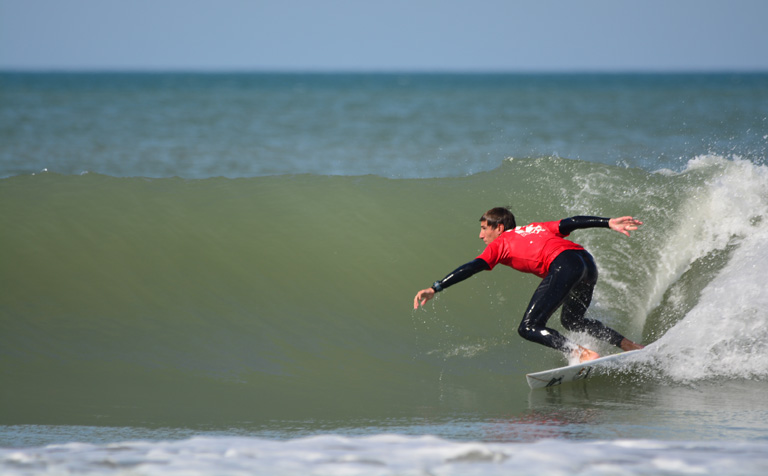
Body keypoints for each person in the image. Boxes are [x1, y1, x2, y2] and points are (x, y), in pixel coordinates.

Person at [413, 207, 645, 362]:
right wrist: (608, 223)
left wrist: (436, 287)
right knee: (572, 321)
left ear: (499, 228)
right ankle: (627, 344)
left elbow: (473, 266)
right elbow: (571, 223)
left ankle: (582, 354)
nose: (481, 235)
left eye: (484, 228)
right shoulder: (536, 227)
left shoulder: (500, 243)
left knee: (528, 327)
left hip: (564, 265)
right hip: (586, 263)